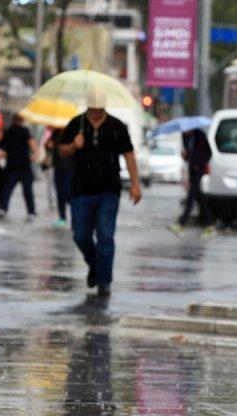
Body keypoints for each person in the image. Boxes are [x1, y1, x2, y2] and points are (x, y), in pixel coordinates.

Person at [59, 88, 142, 297]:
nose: (95, 113)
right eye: (92, 109)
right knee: (80, 235)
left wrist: (135, 184)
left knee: (106, 236)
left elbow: (129, 155)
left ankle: (104, 281)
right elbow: (62, 151)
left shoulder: (116, 126)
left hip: (109, 190)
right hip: (81, 190)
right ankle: (95, 265)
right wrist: (73, 145)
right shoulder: (76, 123)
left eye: (99, 110)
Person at [168, 127, 214, 236]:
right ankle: (209, 224)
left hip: (199, 169)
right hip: (191, 169)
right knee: (199, 197)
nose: (184, 132)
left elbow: (208, 153)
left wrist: (199, 163)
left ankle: (181, 223)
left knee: (191, 196)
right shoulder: (185, 137)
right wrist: (185, 155)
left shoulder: (199, 134)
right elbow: (188, 154)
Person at [0, 114, 37, 220]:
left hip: (12, 164)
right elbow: (33, 146)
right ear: (22, 120)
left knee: (7, 189)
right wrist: (34, 153)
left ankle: (3, 209)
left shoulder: (8, 131)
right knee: (28, 190)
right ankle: (31, 212)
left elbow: (3, 148)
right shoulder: (25, 130)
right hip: (24, 164)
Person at [46, 127, 73, 228]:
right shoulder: (55, 132)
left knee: (68, 193)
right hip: (58, 167)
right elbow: (48, 146)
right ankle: (62, 218)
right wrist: (49, 145)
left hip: (70, 167)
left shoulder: (72, 133)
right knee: (60, 194)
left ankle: (76, 216)